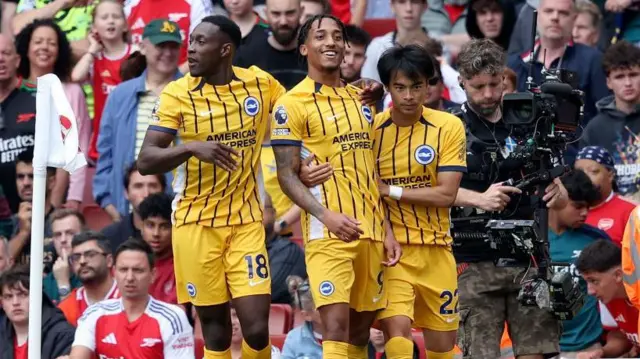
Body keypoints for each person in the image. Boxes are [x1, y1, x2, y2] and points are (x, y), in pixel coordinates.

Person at [137, 15, 286, 359]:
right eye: (191, 41)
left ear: (225, 50)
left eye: (201, 42)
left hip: (246, 222)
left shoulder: (259, 84)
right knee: (216, 333)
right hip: (195, 225)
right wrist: (190, 147)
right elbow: (146, 160)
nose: (190, 49)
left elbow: (296, 110)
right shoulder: (177, 94)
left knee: (256, 328)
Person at [270, 14, 402, 359]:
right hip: (328, 232)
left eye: (337, 36)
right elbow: (286, 175)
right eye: (320, 36)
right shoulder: (291, 104)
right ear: (303, 48)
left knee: (360, 333)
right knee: (335, 331)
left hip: (370, 231)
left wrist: (386, 229)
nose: (330, 42)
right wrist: (325, 216)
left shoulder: (362, 99)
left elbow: (371, 169)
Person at [451, 39, 562, 359]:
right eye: (478, 86)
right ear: (461, 82)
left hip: (529, 258)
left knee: (535, 352)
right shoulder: (448, 125)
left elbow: (556, 186)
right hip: (471, 260)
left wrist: (560, 191)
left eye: (494, 84)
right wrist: (480, 198)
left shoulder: (532, 119)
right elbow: (433, 191)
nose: (487, 94)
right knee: (480, 354)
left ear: (504, 78)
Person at [370, 44, 466, 359]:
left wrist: (393, 190)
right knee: (397, 336)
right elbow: (369, 193)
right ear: (387, 88)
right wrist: (386, 232)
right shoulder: (371, 130)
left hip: (438, 250)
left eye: (417, 86)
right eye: (399, 87)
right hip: (392, 251)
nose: (409, 95)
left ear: (429, 86)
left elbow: (446, 194)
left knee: (443, 347)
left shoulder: (448, 126)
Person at [93, 19, 181, 222]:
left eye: (173, 46)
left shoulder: (195, 94)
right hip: (127, 212)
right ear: (142, 46)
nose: (167, 53)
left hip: (179, 213)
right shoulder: (120, 95)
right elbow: (104, 154)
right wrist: (110, 205)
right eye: (161, 45)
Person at [68, 239, 194, 358]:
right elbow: (78, 355)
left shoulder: (172, 317)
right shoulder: (94, 314)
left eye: (138, 270)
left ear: (152, 275)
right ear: (114, 272)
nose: (129, 277)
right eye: (123, 270)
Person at [15, 18, 91, 209]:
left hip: (57, 193)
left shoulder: (72, 92)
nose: (45, 47)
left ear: (60, 50)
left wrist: (74, 197)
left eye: (52, 43)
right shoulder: (14, 90)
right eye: (38, 41)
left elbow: (79, 145)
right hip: (13, 190)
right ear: (26, 47)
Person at [507, 0, 609, 124]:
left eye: (563, 13)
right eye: (549, 11)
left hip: (578, 141)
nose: (555, 17)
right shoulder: (514, 63)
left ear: (574, 19)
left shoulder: (592, 60)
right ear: (537, 15)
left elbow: (604, 114)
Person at [549, 170, 607, 357]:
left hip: (588, 347)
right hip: (540, 346)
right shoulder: (531, 239)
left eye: (588, 207)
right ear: (558, 200)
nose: (585, 213)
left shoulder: (595, 239)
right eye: (578, 206)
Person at [71, 0, 133, 163]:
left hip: (133, 134)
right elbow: (76, 76)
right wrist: (92, 49)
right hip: (105, 138)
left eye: (116, 17)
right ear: (94, 28)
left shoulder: (136, 54)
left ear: (126, 25)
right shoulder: (95, 59)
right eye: (104, 17)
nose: (111, 21)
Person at [580, 41, 640, 202]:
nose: (628, 83)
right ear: (608, 82)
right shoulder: (595, 128)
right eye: (619, 77)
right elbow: (586, 183)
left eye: (633, 75)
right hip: (610, 215)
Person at [576, 239, 640, 358]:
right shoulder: (607, 298)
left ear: (618, 275)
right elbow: (620, 335)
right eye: (587, 282)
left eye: (594, 281)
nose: (590, 291)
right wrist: (602, 352)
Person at [0, 265, 75, 359]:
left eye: (23, 295)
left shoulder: (62, 336)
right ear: (2, 302)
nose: (15, 302)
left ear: (38, 296)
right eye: (9, 296)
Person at [0, 34, 37, 214]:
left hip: (37, 208)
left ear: (17, 60)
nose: (0, 59)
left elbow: (62, 156)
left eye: (6, 53)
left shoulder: (38, 96)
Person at [234, 0, 308, 90]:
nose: (283, 22)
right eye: (276, 14)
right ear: (266, 14)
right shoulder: (246, 56)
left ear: (301, 12)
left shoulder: (314, 56)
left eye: (290, 13)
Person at [124, 0, 214, 72]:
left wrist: (169, 82)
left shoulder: (197, 2)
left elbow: (203, 53)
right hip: (138, 86)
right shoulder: (129, 6)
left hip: (184, 85)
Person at [574, 146, 636, 245]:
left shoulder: (631, 212)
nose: (584, 178)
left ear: (610, 175)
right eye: (579, 172)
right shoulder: (566, 210)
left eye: (593, 172)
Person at [58, 231, 120, 327]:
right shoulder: (67, 308)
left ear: (109, 260)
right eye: (76, 257)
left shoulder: (129, 298)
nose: (82, 261)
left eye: (90, 255)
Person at [101, 162, 166, 250]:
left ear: (163, 190)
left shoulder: (178, 233)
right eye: (138, 186)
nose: (146, 194)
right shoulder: (108, 237)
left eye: (153, 186)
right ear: (126, 193)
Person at [8, 148, 57, 268]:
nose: (25, 183)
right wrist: (23, 233)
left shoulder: (63, 223)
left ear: (51, 182)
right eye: (20, 177)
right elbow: (2, 264)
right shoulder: (7, 224)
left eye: (33, 176)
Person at [263, 193, 307, 304]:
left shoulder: (288, 251)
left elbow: (266, 292)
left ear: (273, 213)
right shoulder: (235, 252)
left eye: (260, 208)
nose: (254, 215)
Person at [139, 192, 177, 304]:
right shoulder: (131, 262)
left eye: (164, 226)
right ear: (141, 227)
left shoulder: (181, 267)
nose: (156, 233)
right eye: (150, 225)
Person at [43, 209, 85, 303]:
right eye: (57, 235)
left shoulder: (93, 275)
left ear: (84, 235)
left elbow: (73, 317)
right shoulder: (45, 283)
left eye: (70, 233)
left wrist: (63, 284)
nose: (63, 240)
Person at [281, 276, 323, 358]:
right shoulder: (294, 338)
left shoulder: (349, 334)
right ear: (307, 315)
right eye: (320, 307)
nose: (328, 309)